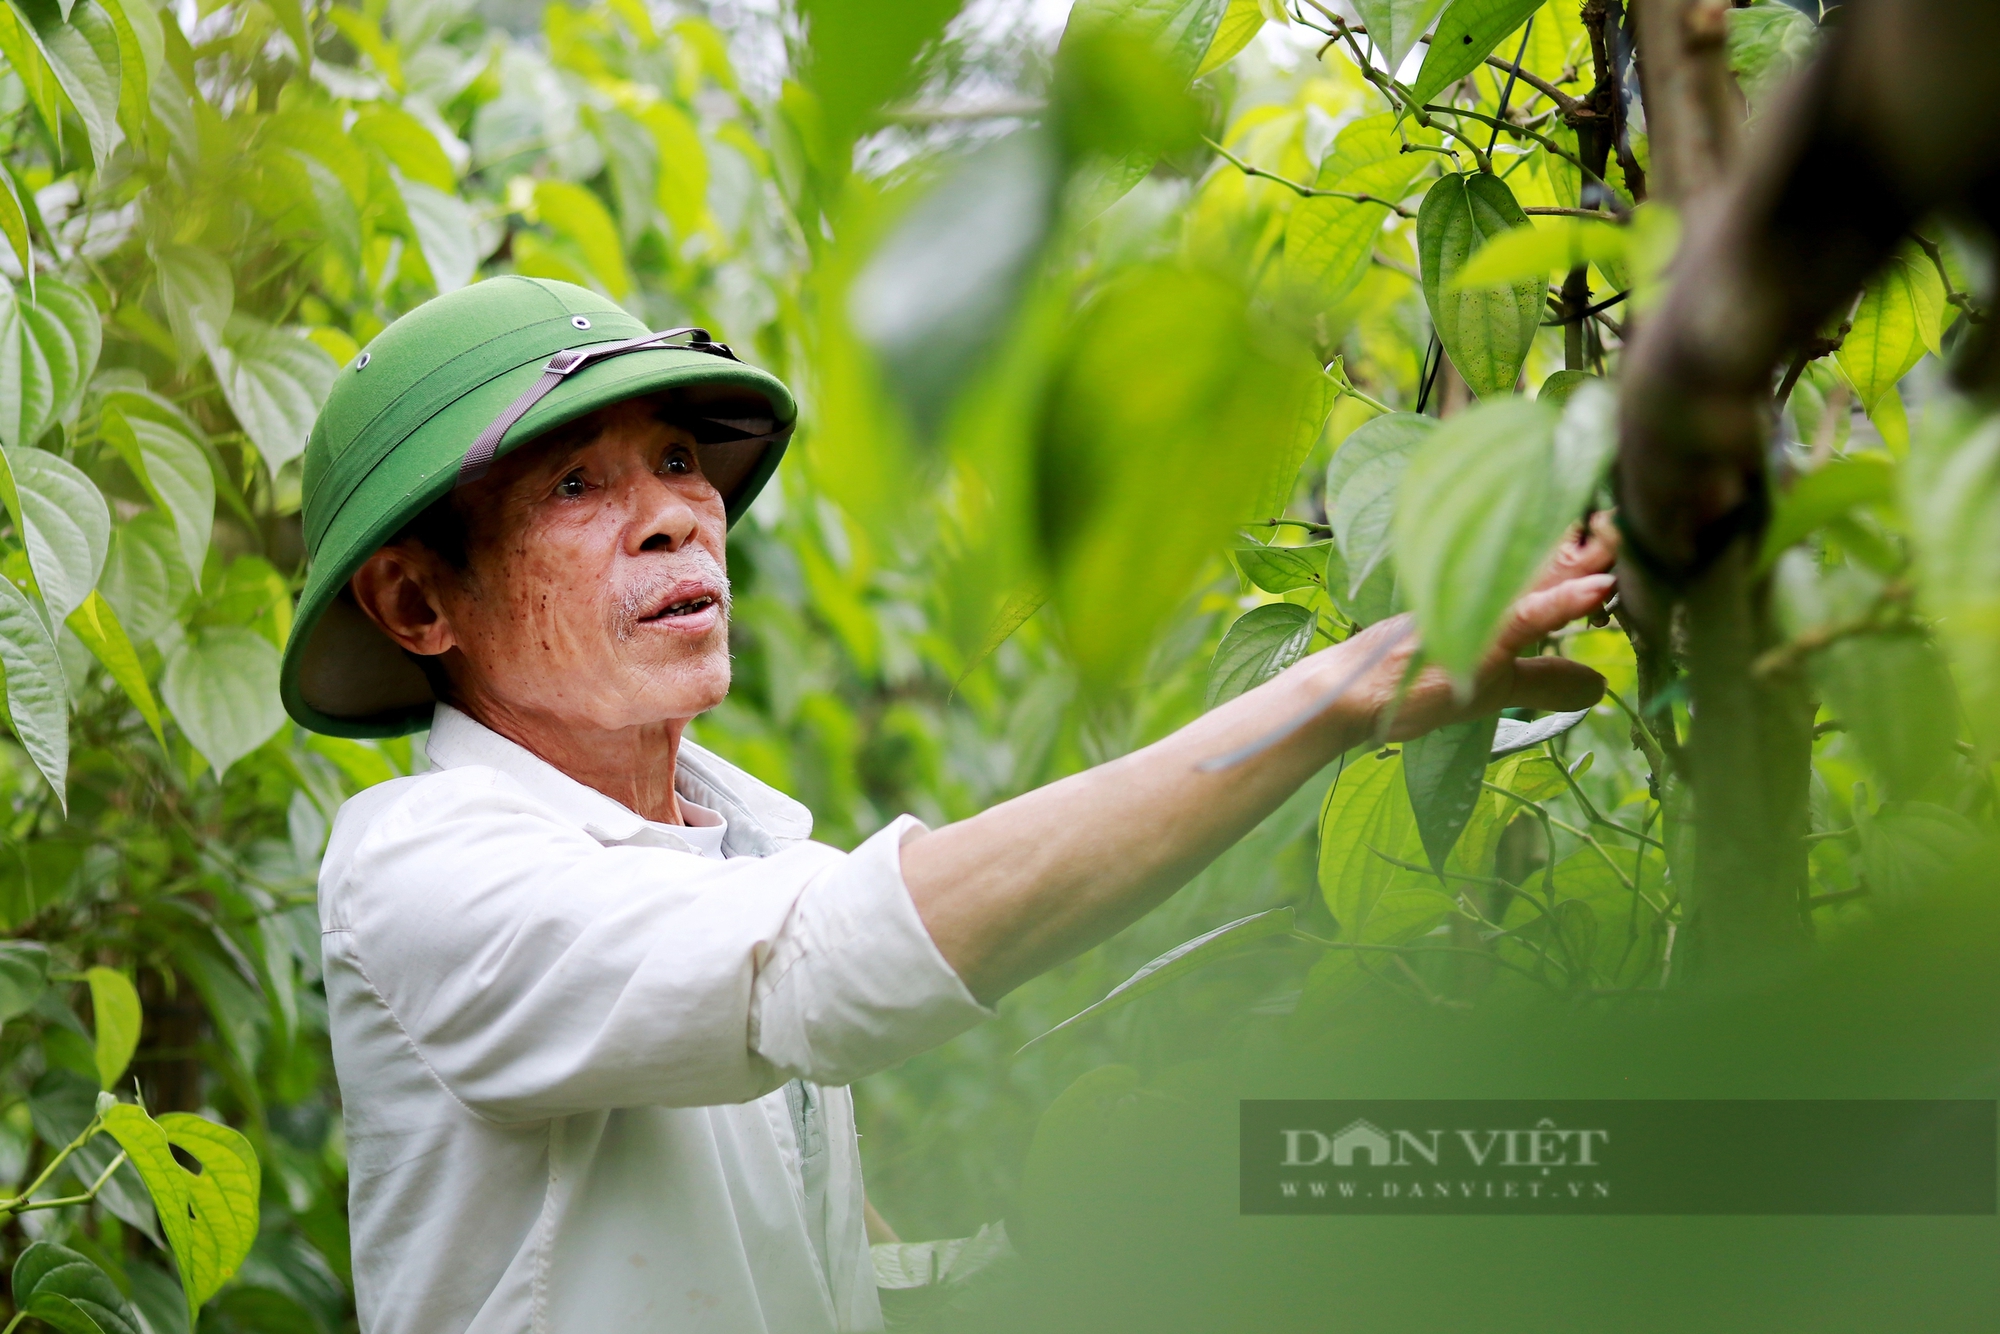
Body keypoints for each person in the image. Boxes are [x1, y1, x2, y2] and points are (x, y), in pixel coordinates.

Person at [281, 276, 1616, 1333]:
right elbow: (815, 965)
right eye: (576, 484)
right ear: (417, 601)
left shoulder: (746, 847)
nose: (676, 518)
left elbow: (811, 1267)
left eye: (681, 457)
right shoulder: (419, 866)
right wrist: (1338, 686)